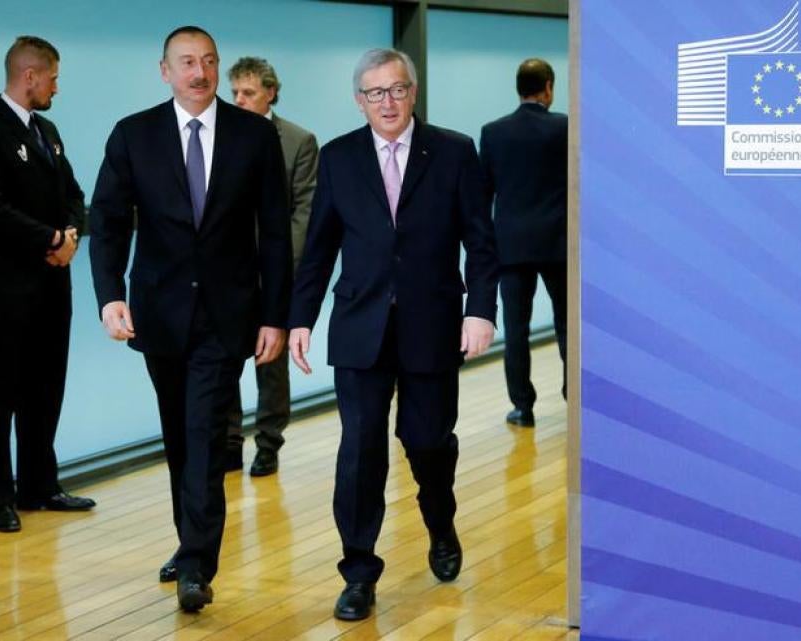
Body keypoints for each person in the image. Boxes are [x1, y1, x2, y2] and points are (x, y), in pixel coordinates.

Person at [288, 48, 499, 621]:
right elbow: (319, 248)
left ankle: (440, 519)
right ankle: (358, 571)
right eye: (375, 93)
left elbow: (481, 242)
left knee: (428, 441)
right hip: (360, 327)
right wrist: (299, 319)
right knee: (359, 450)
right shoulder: (337, 158)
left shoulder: (454, 152)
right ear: (359, 100)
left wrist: (480, 311)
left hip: (432, 325)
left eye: (398, 90)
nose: (388, 102)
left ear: (413, 92)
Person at [89, 26, 290, 613]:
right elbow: (108, 221)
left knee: (205, 432)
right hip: (158, 313)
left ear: (217, 66)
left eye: (207, 62)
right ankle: (190, 540)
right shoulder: (134, 134)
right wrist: (110, 295)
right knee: (179, 434)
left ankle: (198, 564)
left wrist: (276, 315)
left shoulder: (254, 135)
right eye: (186, 63)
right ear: (165, 70)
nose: (198, 73)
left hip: (227, 315)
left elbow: (275, 233)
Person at [0, 36, 95, 533]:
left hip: (52, 287)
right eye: (53, 77)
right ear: (29, 76)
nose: (57, 86)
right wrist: (49, 237)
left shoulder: (47, 130)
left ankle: (39, 485)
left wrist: (71, 232)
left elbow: (72, 192)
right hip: (4, 290)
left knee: (45, 388)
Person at [226, 56, 318, 477]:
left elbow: (305, 211)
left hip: (276, 271)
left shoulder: (298, 141)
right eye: (235, 93)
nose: (239, 101)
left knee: (271, 363)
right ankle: (227, 441)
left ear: (271, 92)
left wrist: (281, 265)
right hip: (228, 271)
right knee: (224, 358)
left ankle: (268, 442)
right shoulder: (219, 135)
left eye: (248, 93)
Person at [479, 58, 567, 428]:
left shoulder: (494, 132)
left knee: (516, 330)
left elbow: (483, 192)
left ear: (519, 88)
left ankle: (523, 407)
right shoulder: (566, 127)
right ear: (548, 86)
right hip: (559, 245)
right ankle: (574, 397)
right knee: (567, 324)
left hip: (512, 247)